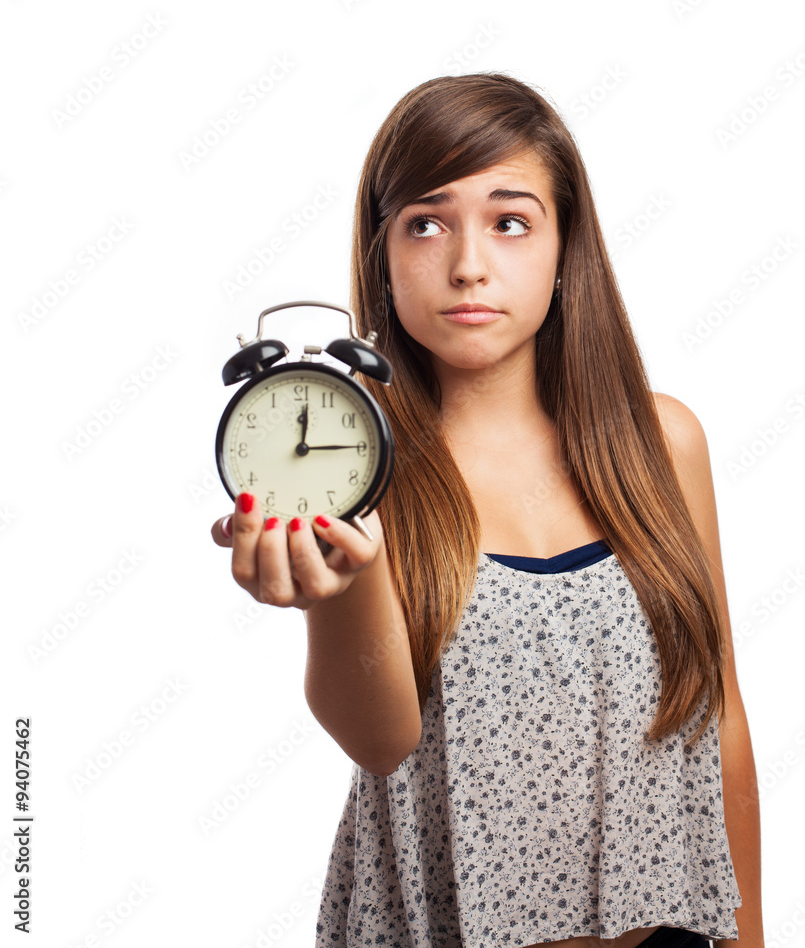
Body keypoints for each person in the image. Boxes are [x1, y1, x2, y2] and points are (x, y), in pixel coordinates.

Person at [211, 73, 763, 948]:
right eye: (426, 224)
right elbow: (380, 738)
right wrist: (340, 587)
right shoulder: (357, 465)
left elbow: (719, 715)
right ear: (383, 254)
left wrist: (751, 934)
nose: (468, 263)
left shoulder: (663, 444)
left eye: (510, 222)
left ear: (563, 246)